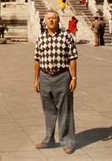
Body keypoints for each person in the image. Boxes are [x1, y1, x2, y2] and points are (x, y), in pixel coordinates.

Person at [34, 10, 77, 154]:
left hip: (62, 76)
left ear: (58, 20)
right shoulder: (40, 38)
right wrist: (36, 79)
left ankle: (67, 141)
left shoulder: (66, 36)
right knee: (48, 111)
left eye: (54, 18)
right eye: (48, 18)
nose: (51, 21)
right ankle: (49, 139)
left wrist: (74, 78)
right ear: (44, 21)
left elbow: (72, 58)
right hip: (45, 77)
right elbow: (37, 60)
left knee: (65, 110)